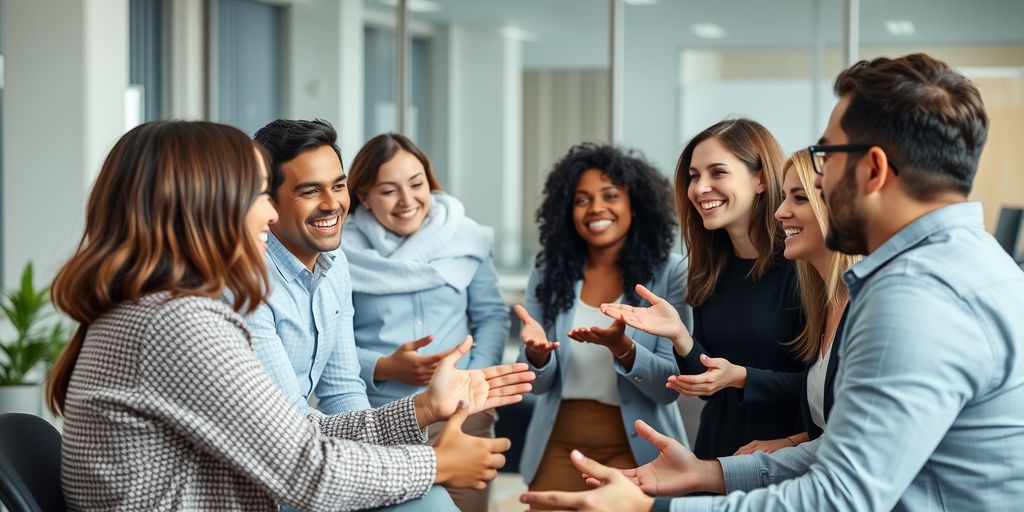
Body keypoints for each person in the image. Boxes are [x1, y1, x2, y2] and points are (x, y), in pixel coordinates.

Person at [520, 53, 1024, 511]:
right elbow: (840, 451)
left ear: (872, 168)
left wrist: (657, 509)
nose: (818, 179)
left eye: (827, 156)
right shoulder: (973, 265)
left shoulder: (915, 294)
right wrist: (712, 471)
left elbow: (840, 495)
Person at [43, 120, 535, 511]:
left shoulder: (158, 311)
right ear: (206, 206)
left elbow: (296, 439)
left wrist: (424, 407)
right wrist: (434, 463)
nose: (271, 215)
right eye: (259, 195)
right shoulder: (179, 324)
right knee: (424, 502)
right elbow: (307, 468)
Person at [341, 133, 510, 512]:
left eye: (416, 184)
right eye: (388, 190)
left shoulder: (466, 238)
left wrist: (472, 379)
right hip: (378, 419)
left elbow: (491, 316)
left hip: (463, 414)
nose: (407, 200)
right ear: (364, 197)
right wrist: (383, 366)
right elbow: (331, 342)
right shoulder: (340, 252)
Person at [512, 143, 690, 503]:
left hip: (639, 446)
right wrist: (536, 357)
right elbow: (536, 385)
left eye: (610, 195)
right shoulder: (549, 269)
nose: (596, 208)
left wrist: (622, 348)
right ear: (567, 210)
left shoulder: (670, 273)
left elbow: (669, 386)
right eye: (581, 199)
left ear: (634, 205)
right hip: (559, 439)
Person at [630, 118, 804, 459]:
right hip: (716, 453)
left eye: (717, 173)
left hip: (783, 460)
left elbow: (822, 389)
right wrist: (680, 336)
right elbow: (709, 386)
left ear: (762, 179)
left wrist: (741, 377)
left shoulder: (802, 267)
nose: (699, 188)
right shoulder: (708, 269)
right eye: (694, 176)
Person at [734, 151, 859, 453]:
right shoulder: (823, 303)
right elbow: (831, 429)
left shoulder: (867, 306)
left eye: (799, 198)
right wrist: (790, 443)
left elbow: (859, 444)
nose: (780, 212)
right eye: (784, 197)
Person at [246, 118, 370, 416]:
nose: (332, 204)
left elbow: (343, 389)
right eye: (310, 191)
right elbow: (289, 417)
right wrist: (410, 456)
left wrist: (394, 454)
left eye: (338, 186)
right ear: (268, 201)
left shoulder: (335, 261)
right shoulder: (246, 281)